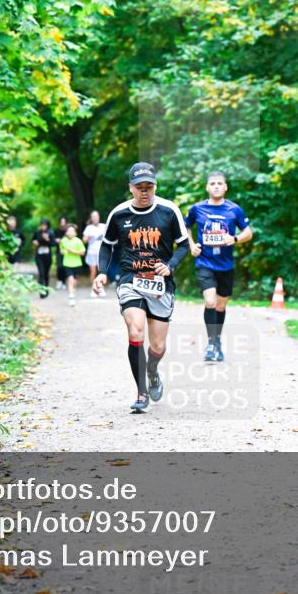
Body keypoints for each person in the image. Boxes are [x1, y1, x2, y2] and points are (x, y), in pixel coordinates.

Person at [92, 162, 190, 412]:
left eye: (149, 187)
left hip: (160, 284)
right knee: (135, 331)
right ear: (131, 188)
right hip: (130, 280)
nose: (145, 192)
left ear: (155, 186)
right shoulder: (119, 213)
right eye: (139, 187)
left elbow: (184, 245)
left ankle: (153, 370)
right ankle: (141, 393)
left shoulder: (169, 211)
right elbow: (107, 245)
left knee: (157, 347)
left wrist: (170, 266)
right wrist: (102, 273)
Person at [184, 171, 253, 362]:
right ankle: (211, 344)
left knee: (221, 306)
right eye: (212, 183)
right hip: (204, 262)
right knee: (210, 302)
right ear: (207, 187)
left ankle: (217, 342)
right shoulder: (197, 209)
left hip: (226, 265)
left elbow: (248, 232)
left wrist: (235, 238)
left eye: (219, 183)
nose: (216, 186)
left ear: (225, 187)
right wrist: (191, 245)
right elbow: (185, 226)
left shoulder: (234, 210)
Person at [59, 223, 86, 307]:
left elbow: (82, 252)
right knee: (70, 279)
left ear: (75, 233)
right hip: (67, 263)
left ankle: (72, 293)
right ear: (66, 232)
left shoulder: (78, 241)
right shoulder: (63, 240)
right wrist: (62, 251)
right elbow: (61, 250)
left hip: (77, 264)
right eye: (68, 231)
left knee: (74, 282)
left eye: (72, 231)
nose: (70, 232)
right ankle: (71, 296)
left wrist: (73, 251)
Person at [82, 210, 107, 297]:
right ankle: (94, 290)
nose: (95, 218)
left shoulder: (103, 226)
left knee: (101, 271)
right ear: (91, 218)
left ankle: (101, 288)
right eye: (93, 217)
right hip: (92, 252)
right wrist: (89, 237)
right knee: (93, 271)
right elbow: (84, 240)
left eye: (96, 216)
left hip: (102, 253)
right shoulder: (89, 228)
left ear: (99, 217)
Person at [32, 219, 54, 298]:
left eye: (45, 225)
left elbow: (53, 244)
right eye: (42, 225)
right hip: (39, 255)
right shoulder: (37, 232)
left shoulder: (50, 232)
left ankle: (46, 289)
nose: (43, 227)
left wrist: (47, 239)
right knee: (41, 273)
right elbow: (33, 240)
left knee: (46, 273)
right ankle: (41, 291)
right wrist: (35, 243)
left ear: (47, 226)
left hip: (47, 255)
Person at [54, 216, 69, 290]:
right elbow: (53, 240)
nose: (63, 223)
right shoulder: (56, 231)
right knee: (59, 267)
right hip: (59, 251)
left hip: (67, 251)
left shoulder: (68, 231)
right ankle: (59, 280)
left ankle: (63, 282)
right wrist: (56, 241)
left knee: (65, 267)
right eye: (61, 221)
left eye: (64, 221)